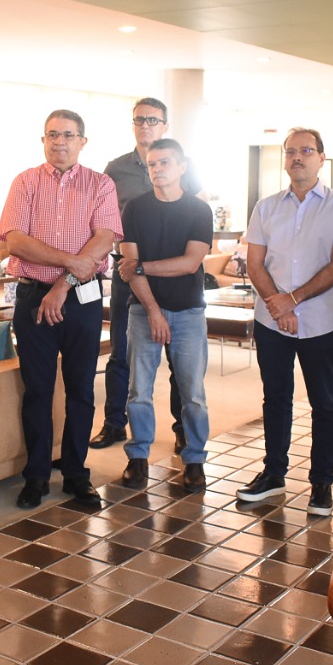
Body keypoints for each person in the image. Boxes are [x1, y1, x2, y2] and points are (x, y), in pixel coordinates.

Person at [0, 109, 121, 509]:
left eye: (68, 135)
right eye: (52, 135)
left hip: (81, 299)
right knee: (37, 390)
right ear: (43, 140)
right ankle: (36, 476)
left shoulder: (100, 184)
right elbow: (16, 241)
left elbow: (104, 239)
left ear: (82, 141)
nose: (59, 142)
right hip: (33, 299)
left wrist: (63, 284)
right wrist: (71, 263)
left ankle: (75, 474)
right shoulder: (25, 182)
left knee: (81, 389)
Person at [238, 127, 333, 516]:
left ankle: (322, 484)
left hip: (319, 324)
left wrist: (292, 300)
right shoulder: (266, 207)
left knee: (324, 403)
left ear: (321, 158)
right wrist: (279, 308)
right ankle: (273, 475)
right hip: (271, 323)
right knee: (275, 399)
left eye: (306, 151)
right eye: (290, 151)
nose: (297, 157)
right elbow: (255, 264)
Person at [92, 98, 205, 455]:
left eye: (152, 120)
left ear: (165, 125)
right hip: (129, 276)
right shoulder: (116, 169)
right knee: (123, 354)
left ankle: (182, 430)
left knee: (181, 367)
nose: (145, 125)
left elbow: (194, 214)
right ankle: (115, 423)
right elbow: (105, 217)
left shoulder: (185, 168)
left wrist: (146, 264)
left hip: (174, 282)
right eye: (139, 119)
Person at [116, 139, 213, 492]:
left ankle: (194, 460)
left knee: (193, 392)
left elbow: (190, 263)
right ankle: (138, 457)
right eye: (152, 164)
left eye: (165, 163)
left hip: (189, 312)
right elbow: (128, 268)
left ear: (182, 167)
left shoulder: (199, 211)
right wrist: (154, 310)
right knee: (138, 390)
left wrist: (143, 266)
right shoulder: (134, 209)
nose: (158, 169)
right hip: (143, 311)